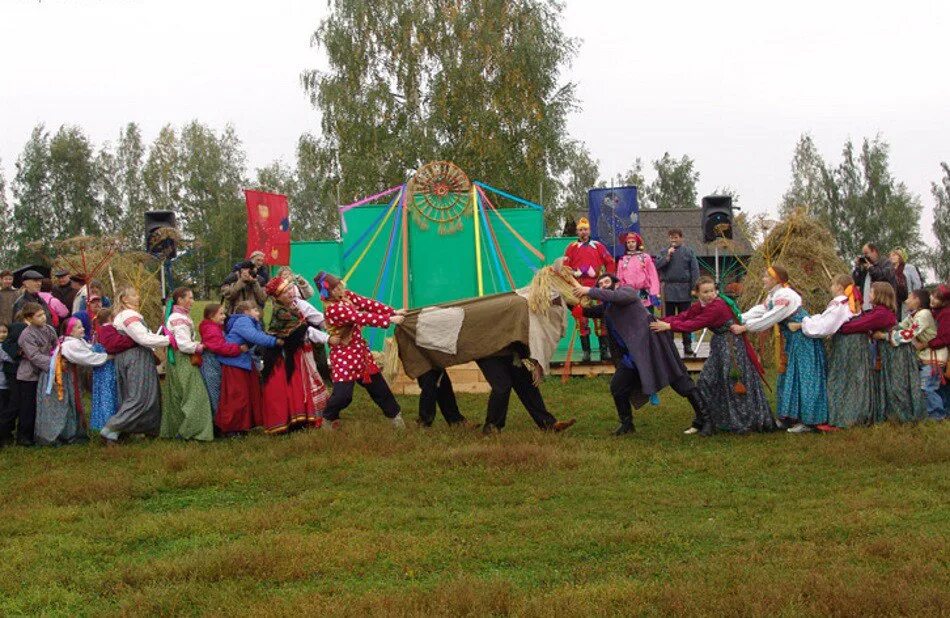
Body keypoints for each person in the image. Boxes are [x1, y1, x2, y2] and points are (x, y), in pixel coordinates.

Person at [574, 274, 712, 436]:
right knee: (617, 387)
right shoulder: (608, 307)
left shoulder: (627, 292)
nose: (604, 285)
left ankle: (706, 420)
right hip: (632, 357)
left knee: (681, 383)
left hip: (653, 347)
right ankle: (627, 425)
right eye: (601, 283)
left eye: (607, 282)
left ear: (616, 283)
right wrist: (571, 304)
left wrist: (588, 290)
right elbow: (590, 311)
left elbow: (615, 296)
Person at [650, 276, 775, 434]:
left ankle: (744, 421)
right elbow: (685, 316)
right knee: (706, 381)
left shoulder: (718, 306)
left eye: (712, 291)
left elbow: (696, 323)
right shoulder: (700, 305)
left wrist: (668, 326)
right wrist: (659, 320)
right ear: (696, 293)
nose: (710, 294)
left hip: (731, 347)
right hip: (719, 346)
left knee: (732, 381)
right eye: (705, 292)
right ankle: (704, 420)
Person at [731, 265, 828, 433]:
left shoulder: (786, 295)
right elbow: (760, 311)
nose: (763, 279)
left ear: (775, 279)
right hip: (793, 341)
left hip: (803, 340)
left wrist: (745, 328)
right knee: (790, 376)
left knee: (804, 377)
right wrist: (738, 317)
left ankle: (808, 421)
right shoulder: (774, 295)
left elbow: (770, 318)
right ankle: (789, 417)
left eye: (766, 277)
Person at [316, 272, 405, 429]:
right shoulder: (333, 309)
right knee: (343, 396)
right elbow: (359, 317)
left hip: (361, 354)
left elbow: (366, 303)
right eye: (334, 289)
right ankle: (328, 418)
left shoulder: (346, 296)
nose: (339, 290)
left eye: (339, 285)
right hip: (344, 355)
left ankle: (396, 417)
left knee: (379, 387)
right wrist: (389, 320)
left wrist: (392, 311)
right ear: (326, 293)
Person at [100, 287, 169, 445]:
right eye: (134, 295)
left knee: (146, 393)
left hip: (132, 357)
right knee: (139, 395)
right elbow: (143, 338)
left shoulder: (124, 316)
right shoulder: (129, 315)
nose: (138, 297)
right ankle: (111, 429)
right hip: (136, 358)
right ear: (125, 299)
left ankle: (144, 428)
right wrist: (169, 340)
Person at [261, 276, 329, 433]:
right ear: (277, 297)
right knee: (293, 385)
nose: (290, 294)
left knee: (304, 381)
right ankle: (295, 419)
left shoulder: (295, 304)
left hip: (297, 351)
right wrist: (329, 338)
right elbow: (304, 330)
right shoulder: (282, 312)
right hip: (283, 356)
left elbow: (314, 317)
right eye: (285, 292)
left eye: (290, 289)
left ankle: (305, 416)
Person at [796, 275, 866, 428]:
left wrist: (804, 323)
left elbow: (824, 326)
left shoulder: (839, 303)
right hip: (857, 344)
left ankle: (841, 417)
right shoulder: (851, 302)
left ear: (839, 287)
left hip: (846, 344)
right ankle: (854, 415)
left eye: (832, 285)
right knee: (853, 379)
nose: (830, 288)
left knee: (839, 378)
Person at [34, 317, 110, 445]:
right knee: (59, 406)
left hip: (67, 377)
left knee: (69, 404)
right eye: (79, 327)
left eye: (82, 326)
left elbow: (89, 349)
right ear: (70, 331)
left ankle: (69, 432)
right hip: (58, 379)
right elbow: (87, 357)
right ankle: (52, 436)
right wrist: (107, 357)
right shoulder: (70, 344)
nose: (83, 329)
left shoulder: (76, 341)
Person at [858, 283, 925, 423]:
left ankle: (903, 417)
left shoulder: (883, 313)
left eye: (871, 292)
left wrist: (884, 336)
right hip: (890, 351)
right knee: (893, 383)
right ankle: (894, 416)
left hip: (897, 352)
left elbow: (908, 334)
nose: (868, 294)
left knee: (897, 385)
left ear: (879, 295)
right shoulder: (884, 312)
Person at [160, 287, 214, 442]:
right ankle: (191, 432)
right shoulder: (179, 318)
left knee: (178, 395)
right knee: (195, 396)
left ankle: (177, 430)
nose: (192, 301)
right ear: (180, 300)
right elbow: (183, 344)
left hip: (176, 359)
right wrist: (200, 346)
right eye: (189, 298)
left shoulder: (177, 316)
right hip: (183, 359)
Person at [218, 301, 279, 435]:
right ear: (246, 311)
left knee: (248, 394)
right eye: (255, 310)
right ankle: (231, 428)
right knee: (237, 396)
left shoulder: (247, 322)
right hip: (234, 364)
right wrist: (275, 341)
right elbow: (255, 337)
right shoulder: (243, 321)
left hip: (242, 361)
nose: (258, 313)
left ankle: (242, 425)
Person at [885, 289, 944, 421]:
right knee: (926, 388)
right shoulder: (914, 315)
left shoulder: (923, 315)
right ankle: (934, 415)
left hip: (933, 358)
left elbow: (909, 334)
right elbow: (900, 326)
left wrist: (885, 336)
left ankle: (937, 416)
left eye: (909, 298)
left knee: (927, 389)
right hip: (925, 357)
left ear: (917, 300)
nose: (906, 301)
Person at [563, 217, 615, 362]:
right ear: (577, 231)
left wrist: (607, 280)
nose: (583, 232)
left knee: (601, 319)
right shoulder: (571, 248)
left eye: (585, 229)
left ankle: (604, 351)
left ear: (589, 230)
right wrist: (574, 273)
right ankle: (586, 352)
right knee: (582, 320)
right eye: (580, 230)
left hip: (597, 289)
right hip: (579, 290)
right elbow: (565, 268)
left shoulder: (598, 246)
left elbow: (610, 263)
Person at [14, 302, 58, 447]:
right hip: (29, 375)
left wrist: (59, 356)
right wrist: (53, 363)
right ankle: (23, 436)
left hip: (45, 373)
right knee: (28, 407)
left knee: (43, 405)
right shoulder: (27, 334)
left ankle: (41, 432)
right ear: (29, 318)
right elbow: (33, 356)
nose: (43, 318)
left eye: (43, 314)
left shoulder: (49, 329)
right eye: (39, 316)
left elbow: (56, 345)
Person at [654, 228, 701, 357]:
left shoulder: (689, 252)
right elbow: (657, 266)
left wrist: (694, 288)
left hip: (684, 289)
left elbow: (695, 271)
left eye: (676, 237)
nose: (673, 240)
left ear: (681, 238)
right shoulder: (663, 251)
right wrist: (667, 256)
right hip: (668, 290)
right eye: (671, 238)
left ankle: (687, 345)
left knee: (686, 319)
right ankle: (669, 346)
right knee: (668, 319)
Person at [198, 303, 245, 423]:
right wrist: (238, 349)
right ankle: (217, 423)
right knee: (215, 392)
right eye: (221, 314)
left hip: (213, 362)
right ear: (211, 316)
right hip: (211, 363)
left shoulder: (213, 327)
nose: (224, 316)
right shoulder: (211, 329)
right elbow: (220, 347)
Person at [90, 308, 135, 432]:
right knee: (109, 394)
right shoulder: (108, 329)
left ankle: (102, 423)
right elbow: (115, 343)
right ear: (110, 318)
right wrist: (133, 339)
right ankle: (110, 424)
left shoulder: (98, 331)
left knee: (103, 394)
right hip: (108, 368)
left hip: (101, 369)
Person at [0, 310, 28, 445]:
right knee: (12, 406)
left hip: (12, 379)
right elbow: (10, 355)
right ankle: (4, 432)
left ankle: (8, 433)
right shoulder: (7, 344)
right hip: (8, 379)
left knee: (14, 405)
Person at [616, 231, 661, 314]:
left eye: (633, 242)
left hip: (644, 294)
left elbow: (653, 276)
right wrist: (620, 294)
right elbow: (619, 278)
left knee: (648, 320)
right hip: (629, 294)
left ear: (637, 243)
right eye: (628, 242)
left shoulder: (645, 257)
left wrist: (654, 293)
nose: (631, 244)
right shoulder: (623, 260)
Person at [852, 243, 896, 311]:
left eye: (866, 253)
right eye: (863, 254)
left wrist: (870, 268)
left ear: (874, 251)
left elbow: (882, 277)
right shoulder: (865, 267)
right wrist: (857, 267)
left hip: (882, 307)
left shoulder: (886, 263)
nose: (865, 257)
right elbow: (856, 282)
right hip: (865, 307)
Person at [888, 249, 922, 319]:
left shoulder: (909, 267)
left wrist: (912, 298)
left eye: (894, 255)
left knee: (907, 322)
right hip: (894, 301)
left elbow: (917, 284)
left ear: (899, 256)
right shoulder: (889, 270)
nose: (891, 257)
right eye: (890, 256)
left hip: (907, 300)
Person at [0, 325, 11, 437]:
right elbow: (9, 358)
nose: (2, 334)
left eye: (5, 332)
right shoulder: (2, 348)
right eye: (0, 332)